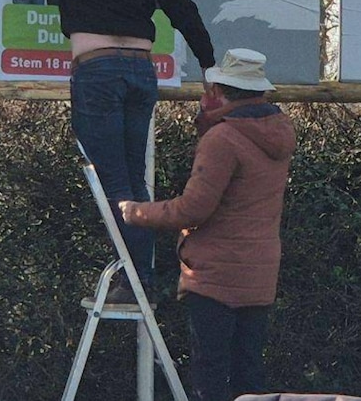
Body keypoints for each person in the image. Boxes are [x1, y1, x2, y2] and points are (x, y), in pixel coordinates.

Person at [0, 0, 217, 303]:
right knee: (131, 176)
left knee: (114, 179)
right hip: (141, 71)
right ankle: (139, 269)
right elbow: (184, 12)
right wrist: (209, 65)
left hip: (96, 70)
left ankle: (139, 277)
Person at [120, 48, 295, 401]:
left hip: (216, 277)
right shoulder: (279, 134)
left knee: (210, 375)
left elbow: (193, 209)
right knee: (249, 374)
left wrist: (135, 212)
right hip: (259, 274)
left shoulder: (223, 138)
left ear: (219, 91)